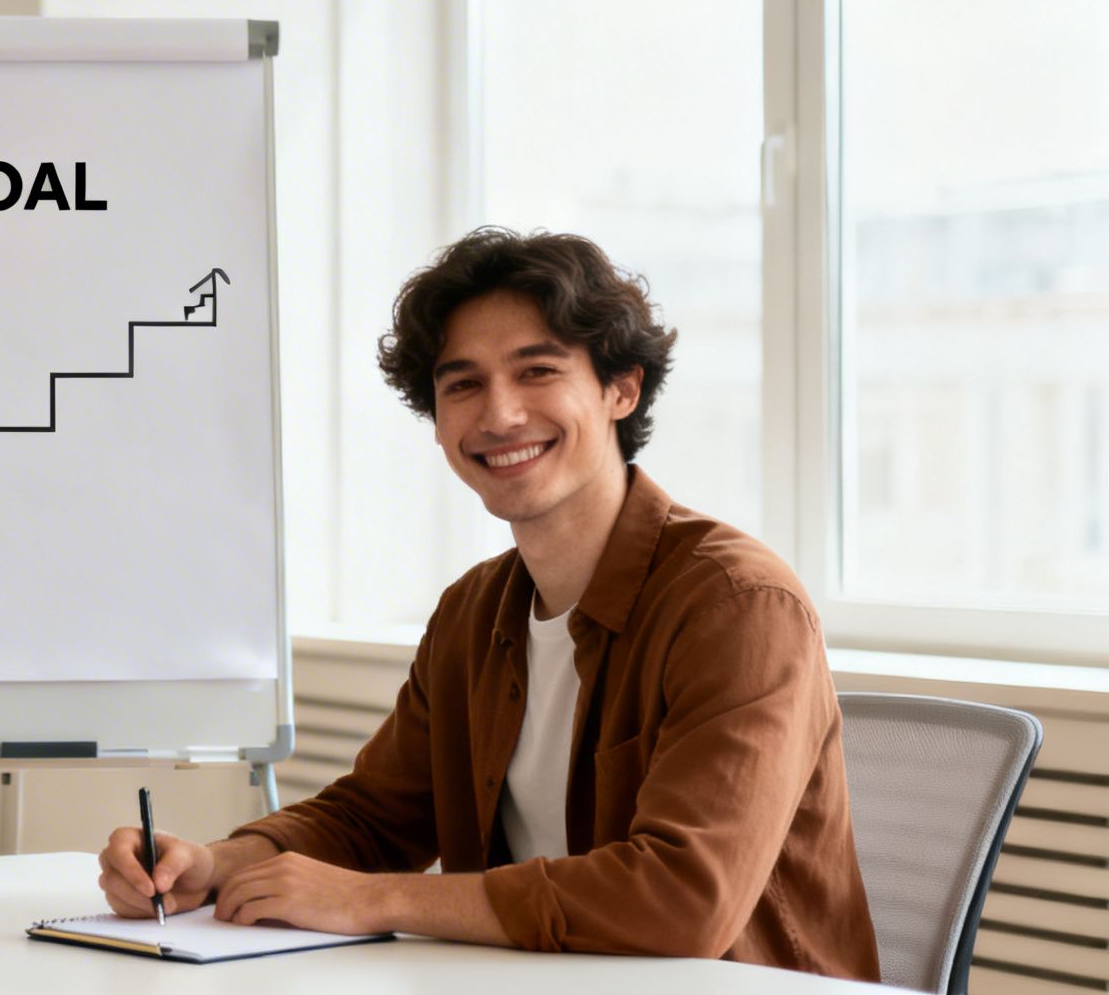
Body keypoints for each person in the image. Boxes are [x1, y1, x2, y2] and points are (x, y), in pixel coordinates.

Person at [97, 228, 881, 980]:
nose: (499, 414)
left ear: (621, 388)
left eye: (537, 372)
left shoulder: (737, 604)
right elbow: (374, 819)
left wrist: (376, 901)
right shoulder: (473, 613)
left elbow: (685, 899)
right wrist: (215, 863)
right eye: (463, 384)